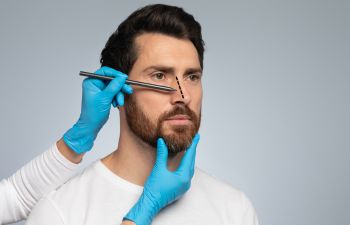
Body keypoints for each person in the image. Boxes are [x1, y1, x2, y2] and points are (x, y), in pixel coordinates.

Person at [26, 4, 259, 225]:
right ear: (118, 88)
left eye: (192, 77)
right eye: (159, 75)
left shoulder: (234, 210)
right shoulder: (60, 213)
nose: (183, 96)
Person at [0, 64, 132, 224]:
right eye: (159, 76)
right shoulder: (58, 212)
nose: (172, 94)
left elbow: (15, 197)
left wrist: (78, 138)